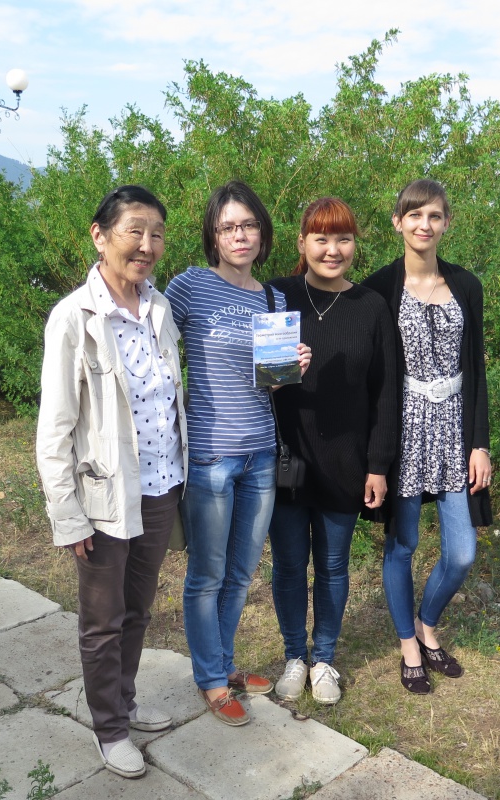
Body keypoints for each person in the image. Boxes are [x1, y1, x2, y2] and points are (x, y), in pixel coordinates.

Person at [35, 185, 186, 778]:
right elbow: (55, 428)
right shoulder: (74, 317)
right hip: (103, 496)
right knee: (102, 622)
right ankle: (110, 728)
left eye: (157, 234)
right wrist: (67, 514)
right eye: (135, 231)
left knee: (138, 610)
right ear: (100, 236)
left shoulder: (159, 308)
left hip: (161, 486)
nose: (147, 245)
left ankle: (124, 700)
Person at [164, 180, 311, 726]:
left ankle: (224, 665)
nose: (239, 235)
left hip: (261, 456)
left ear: (263, 232)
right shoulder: (190, 287)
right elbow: (151, 339)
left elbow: (268, 383)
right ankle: (209, 678)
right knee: (207, 574)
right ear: (213, 235)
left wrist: (291, 368)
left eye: (248, 224)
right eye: (227, 226)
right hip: (210, 457)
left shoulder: (273, 299)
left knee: (241, 572)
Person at [362, 179, 493, 695]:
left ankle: (427, 623)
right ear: (398, 222)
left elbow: (476, 369)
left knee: (461, 553)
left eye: (434, 216)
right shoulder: (377, 288)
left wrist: (480, 443)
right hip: (405, 431)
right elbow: (368, 373)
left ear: (446, 223)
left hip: (455, 430)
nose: (424, 224)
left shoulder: (466, 285)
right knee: (404, 544)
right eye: (414, 215)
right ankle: (409, 645)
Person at [267, 197, 399, 705]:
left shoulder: (371, 307)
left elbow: (385, 394)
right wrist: (275, 375)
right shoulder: (277, 296)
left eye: (343, 238)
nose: (332, 249)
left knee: (333, 567)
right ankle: (294, 656)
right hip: (286, 460)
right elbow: (254, 378)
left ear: (354, 245)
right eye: (321, 238)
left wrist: (378, 466)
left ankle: (324, 658)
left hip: (346, 463)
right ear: (302, 242)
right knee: (288, 566)